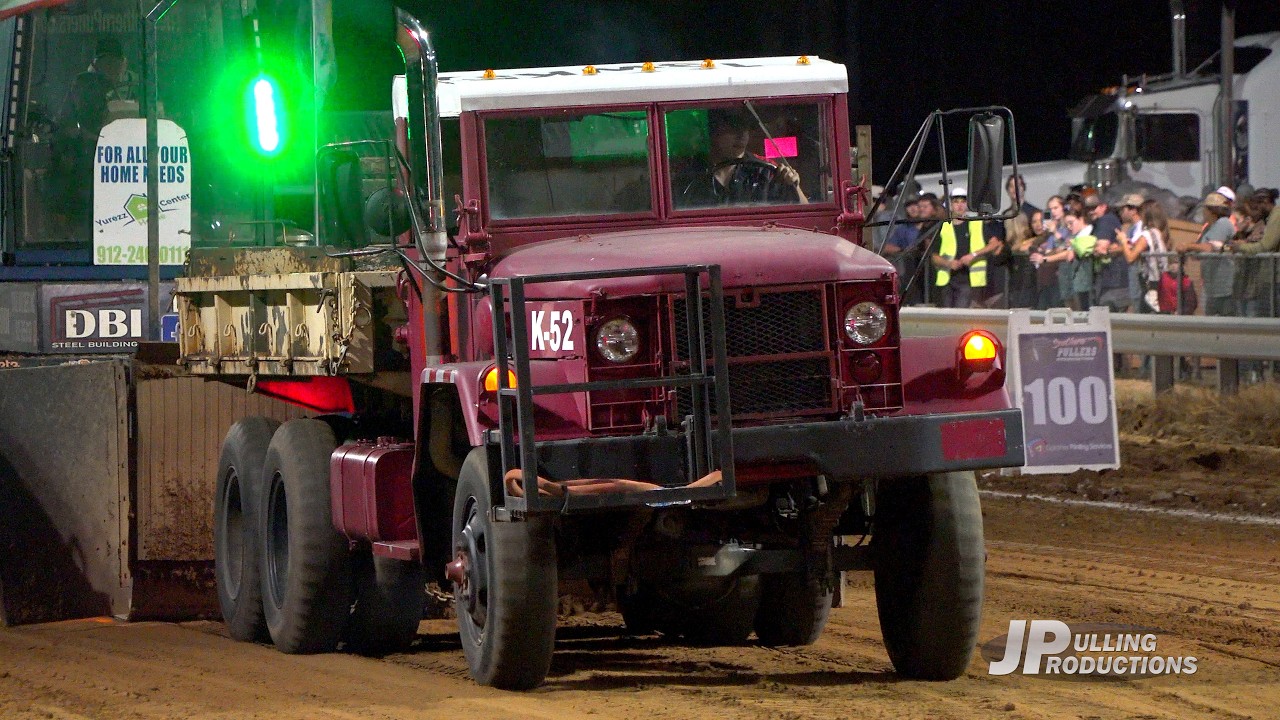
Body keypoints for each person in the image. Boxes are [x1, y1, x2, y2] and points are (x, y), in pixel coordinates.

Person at [52, 37, 130, 236]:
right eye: (106, 62)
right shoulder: (84, 84)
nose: (111, 66)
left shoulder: (138, 83)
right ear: (96, 63)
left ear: (124, 62)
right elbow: (86, 122)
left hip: (135, 157)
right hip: (92, 159)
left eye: (115, 61)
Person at [676, 108, 806, 208]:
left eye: (746, 128)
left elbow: (803, 213)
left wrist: (794, 185)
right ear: (713, 132)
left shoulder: (766, 171)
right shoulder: (689, 174)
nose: (742, 135)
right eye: (732, 129)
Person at [930, 187, 1002, 308]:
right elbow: (934, 256)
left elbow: (994, 244)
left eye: (963, 202)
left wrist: (973, 255)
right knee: (947, 316)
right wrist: (949, 263)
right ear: (951, 205)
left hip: (968, 280)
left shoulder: (976, 223)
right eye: (956, 202)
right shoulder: (943, 226)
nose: (960, 205)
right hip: (947, 280)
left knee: (961, 314)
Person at [1187, 191, 1237, 316]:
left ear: (1211, 210)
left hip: (1224, 288)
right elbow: (1198, 251)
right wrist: (1193, 249)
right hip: (1211, 287)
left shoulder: (1223, 224)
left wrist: (1188, 246)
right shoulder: (1209, 228)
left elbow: (1211, 247)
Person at [1123, 199, 1169, 313]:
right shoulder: (1158, 233)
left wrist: (1123, 241)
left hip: (1150, 285)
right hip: (1160, 282)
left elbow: (1130, 258)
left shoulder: (1147, 235)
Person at [1087, 194, 1128, 311]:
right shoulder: (1099, 223)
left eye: (1094, 208)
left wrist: (1086, 247)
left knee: (1108, 318)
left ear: (1103, 206)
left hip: (1113, 282)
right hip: (1110, 281)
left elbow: (1101, 248)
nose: (1090, 211)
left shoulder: (1105, 220)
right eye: (1088, 209)